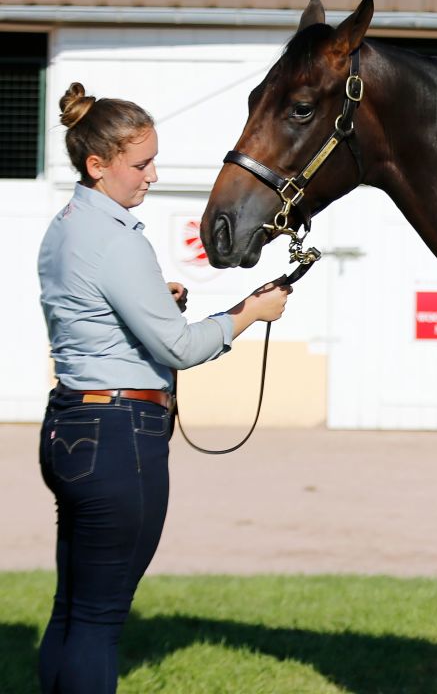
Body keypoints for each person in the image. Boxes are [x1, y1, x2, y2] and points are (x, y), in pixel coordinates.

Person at [36, 82, 290, 693]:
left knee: (71, 608)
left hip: (70, 425)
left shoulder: (65, 227)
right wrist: (250, 313)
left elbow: (95, 310)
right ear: (99, 166)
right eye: (140, 163)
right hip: (119, 439)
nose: (153, 175)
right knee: (99, 621)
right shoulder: (116, 240)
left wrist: (161, 298)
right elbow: (178, 348)